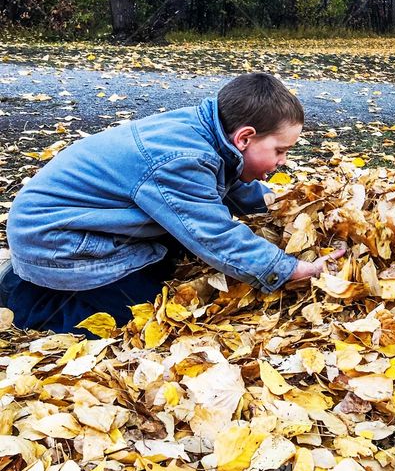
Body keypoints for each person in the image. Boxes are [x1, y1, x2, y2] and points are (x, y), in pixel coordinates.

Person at [0, 72, 342, 335]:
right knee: (137, 308)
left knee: (172, 256)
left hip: (74, 225)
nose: (283, 161)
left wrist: (287, 207)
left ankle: (31, 283)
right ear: (245, 137)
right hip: (54, 239)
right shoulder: (182, 159)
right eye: (280, 151)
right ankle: (22, 301)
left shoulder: (208, 130)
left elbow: (227, 183)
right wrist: (290, 269)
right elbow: (214, 235)